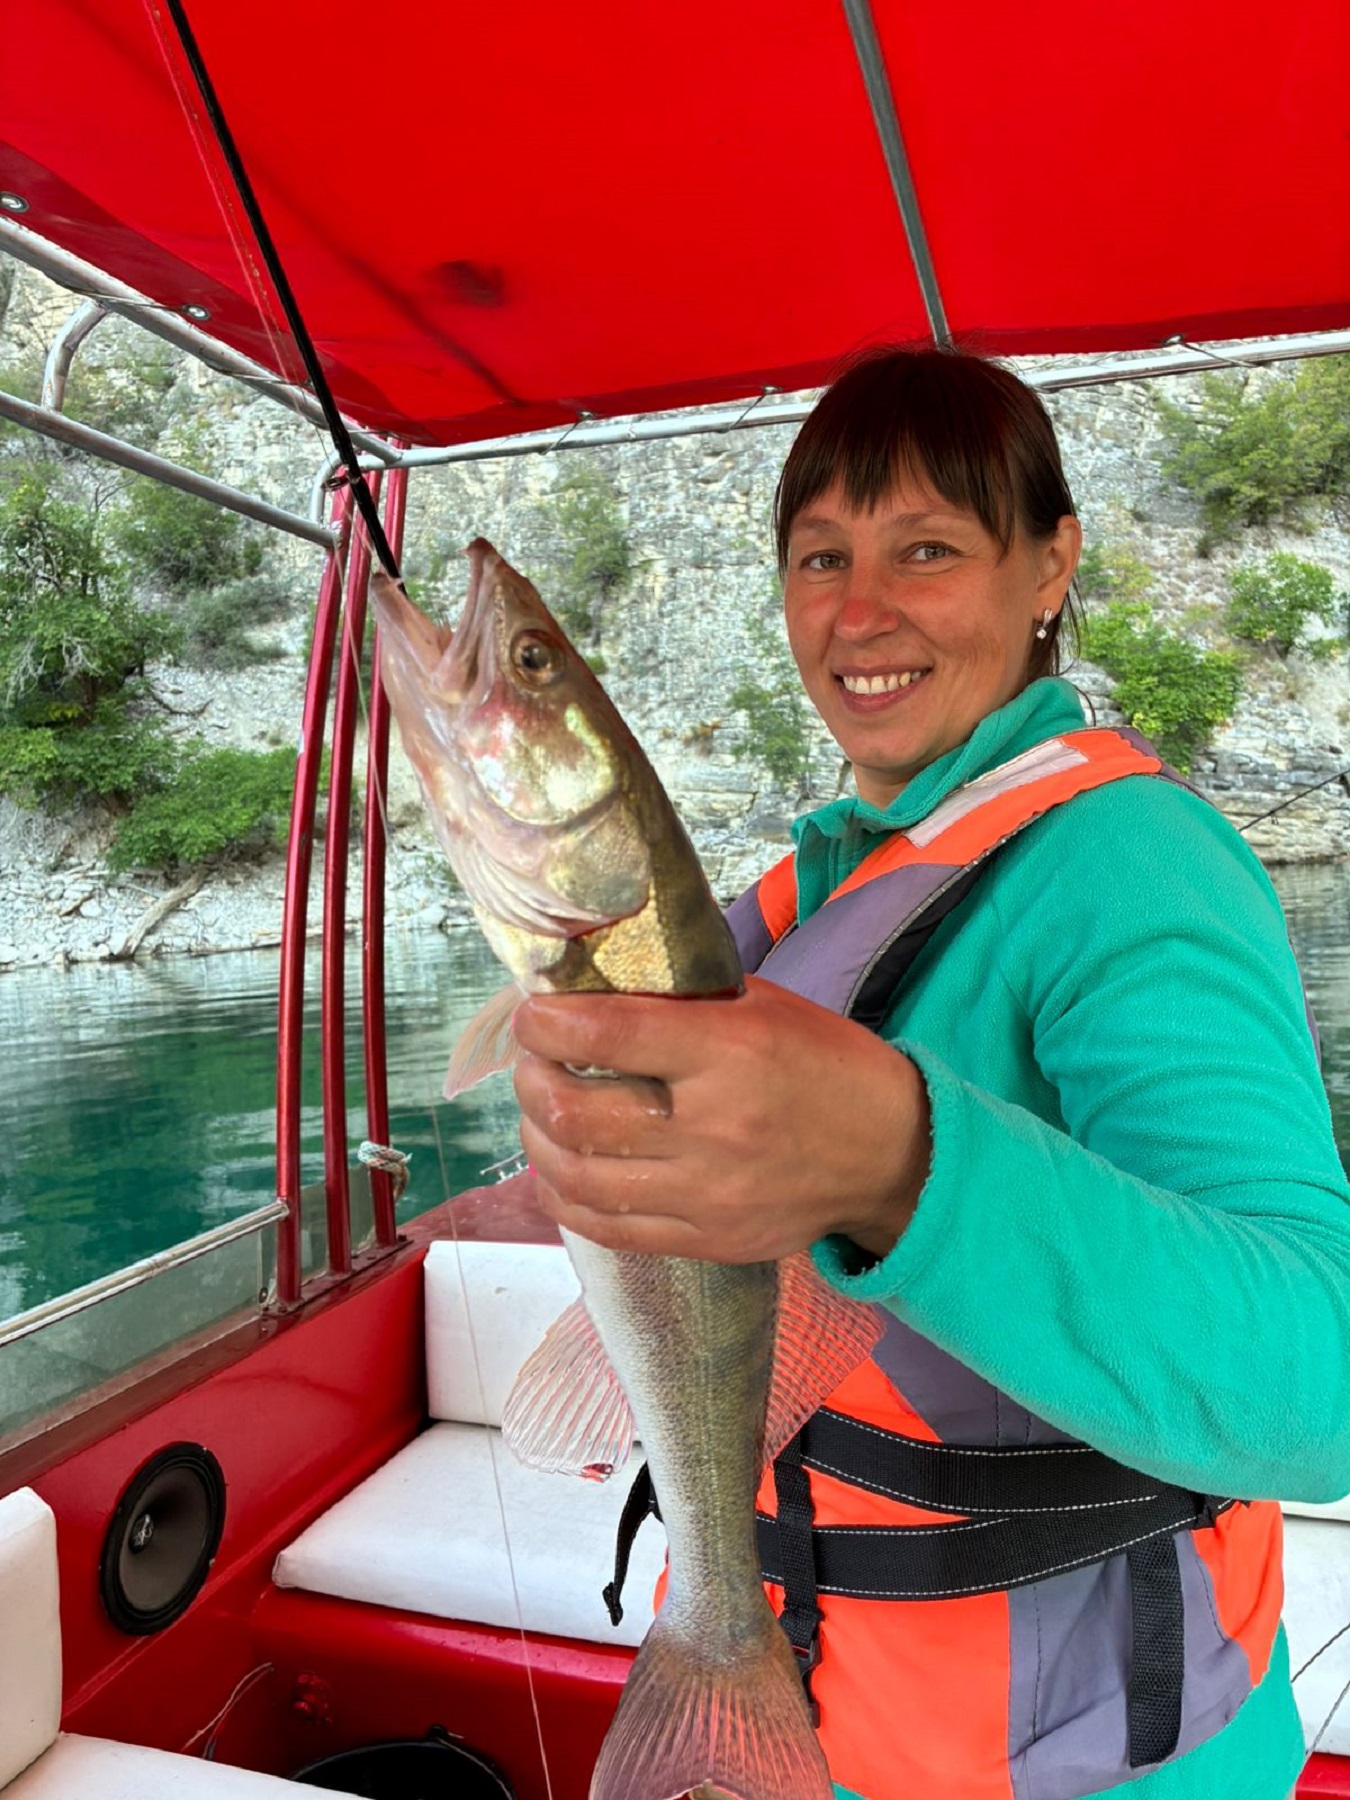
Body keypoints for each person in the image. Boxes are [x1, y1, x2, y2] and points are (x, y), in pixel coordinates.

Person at [511, 347, 1350, 1800]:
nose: (858, 612)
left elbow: (1316, 1383)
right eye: (818, 557)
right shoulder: (794, 904)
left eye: (927, 550)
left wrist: (899, 1161)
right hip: (796, 1708)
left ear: (1049, 568)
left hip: (1095, 1768)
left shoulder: (1132, 862)